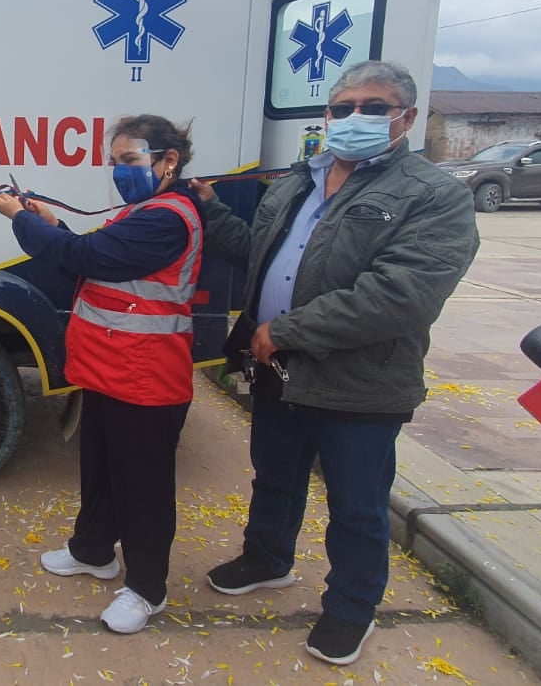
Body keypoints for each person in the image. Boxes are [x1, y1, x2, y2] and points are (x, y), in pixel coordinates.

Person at [192, 60, 478, 665]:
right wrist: (210, 208)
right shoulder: (299, 181)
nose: (355, 118)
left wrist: (287, 330)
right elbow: (258, 253)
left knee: (356, 504)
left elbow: (401, 294)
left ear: (406, 117)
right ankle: (267, 559)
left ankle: (351, 608)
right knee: (275, 477)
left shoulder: (434, 196)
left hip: (359, 382)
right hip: (279, 371)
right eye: (343, 108)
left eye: (373, 108)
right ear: (326, 115)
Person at [0, 114, 203, 635]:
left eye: (129, 160)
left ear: (168, 161)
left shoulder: (167, 217)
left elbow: (83, 255)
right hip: (111, 370)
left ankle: (148, 588)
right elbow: (92, 263)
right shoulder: (140, 213)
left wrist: (23, 221)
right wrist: (50, 223)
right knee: (101, 469)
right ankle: (93, 551)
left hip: (148, 379)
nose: (119, 171)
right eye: (114, 162)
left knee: (143, 489)